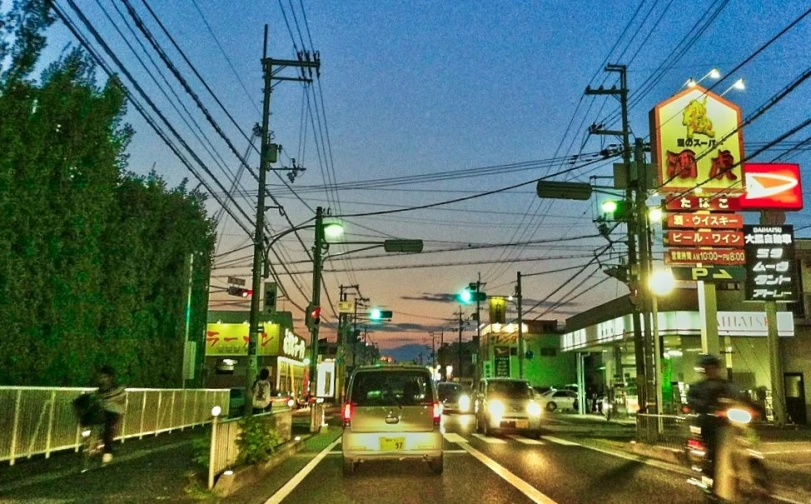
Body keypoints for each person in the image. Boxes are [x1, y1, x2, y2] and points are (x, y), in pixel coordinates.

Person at [686, 354, 740, 488]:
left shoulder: (727, 385)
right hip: (709, 422)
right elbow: (691, 400)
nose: (712, 370)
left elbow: (739, 397)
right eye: (709, 368)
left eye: (714, 368)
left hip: (728, 421)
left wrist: (753, 406)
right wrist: (705, 407)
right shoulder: (699, 387)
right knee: (714, 448)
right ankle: (712, 474)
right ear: (705, 370)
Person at [95, 365, 126, 464]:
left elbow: (121, 397)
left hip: (114, 411)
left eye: (105, 377)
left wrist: (108, 400)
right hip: (102, 411)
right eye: (101, 377)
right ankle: (96, 446)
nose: (103, 379)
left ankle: (107, 451)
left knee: (108, 427)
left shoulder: (117, 388)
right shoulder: (99, 390)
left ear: (110, 377)